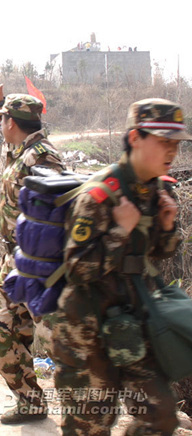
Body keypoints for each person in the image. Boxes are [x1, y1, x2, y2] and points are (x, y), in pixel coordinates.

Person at [53, 98, 187, 435]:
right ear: (135, 138)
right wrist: (120, 230)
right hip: (86, 329)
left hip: (132, 322)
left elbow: (158, 253)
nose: (172, 151)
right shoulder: (100, 195)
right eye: (164, 141)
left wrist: (167, 224)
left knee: (162, 416)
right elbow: (77, 268)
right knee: (90, 425)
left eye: (176, 142)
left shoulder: (154, 190)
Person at [0, 82, 64, 424]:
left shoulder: (42, 156)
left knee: (61, 342)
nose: (0, 124)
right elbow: (14, 128)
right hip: (13, 261)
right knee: (3, 337)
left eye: (3, 119)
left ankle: (91, 411)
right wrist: (1, 103)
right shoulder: (21, 150)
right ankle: (31, 402)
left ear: (12, 123)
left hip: (39, 266)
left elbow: (57, 210)